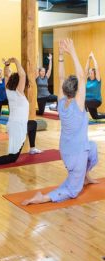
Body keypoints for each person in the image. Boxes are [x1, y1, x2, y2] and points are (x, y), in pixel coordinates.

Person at [22, 39, 98, 206]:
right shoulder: (78, 104)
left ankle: (84, 176)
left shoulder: (62, 101)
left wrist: (61, 55)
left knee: (93, 148)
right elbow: (80, 76)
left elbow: (61, 76)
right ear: (77, 91)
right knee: (73, 190)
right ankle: (43, 198)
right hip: (76, 155)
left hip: (67, 150)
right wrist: (72, 51)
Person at [0, 58, 42, 169]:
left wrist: (7, 65)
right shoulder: (18, 92)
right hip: (18, 127)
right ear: (19, 82)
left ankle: (32, 148)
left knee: (33, 124)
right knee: (12, 158)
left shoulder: (8, 90)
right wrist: (16, 61)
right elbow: (23, 75)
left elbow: (6, 76)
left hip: (14, 125)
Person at [85, 52, 105, 119]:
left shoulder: (97, 80)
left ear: (95, 74)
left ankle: (81, 119)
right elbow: (86, 70)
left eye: (91, 73)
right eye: (89, 73)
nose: (89, 74)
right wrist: (88, 59)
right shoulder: (88, 80)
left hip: (96, 101)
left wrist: (93, 57)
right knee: (95, 117)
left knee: (83, 102)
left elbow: (97, 68)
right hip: (88, 102)